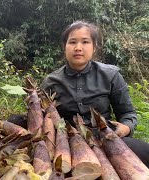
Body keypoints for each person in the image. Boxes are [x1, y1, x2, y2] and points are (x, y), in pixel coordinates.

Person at [41, 20, 149, 167]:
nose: (78, 48)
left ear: (94, 47)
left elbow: (128, 113)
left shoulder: (111, 75)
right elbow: (42, 120)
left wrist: (126, 128)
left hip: (107, 138)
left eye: (85, 42)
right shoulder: (51, 81)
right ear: (64, 47)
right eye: (72, 42)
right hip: (67, 142)